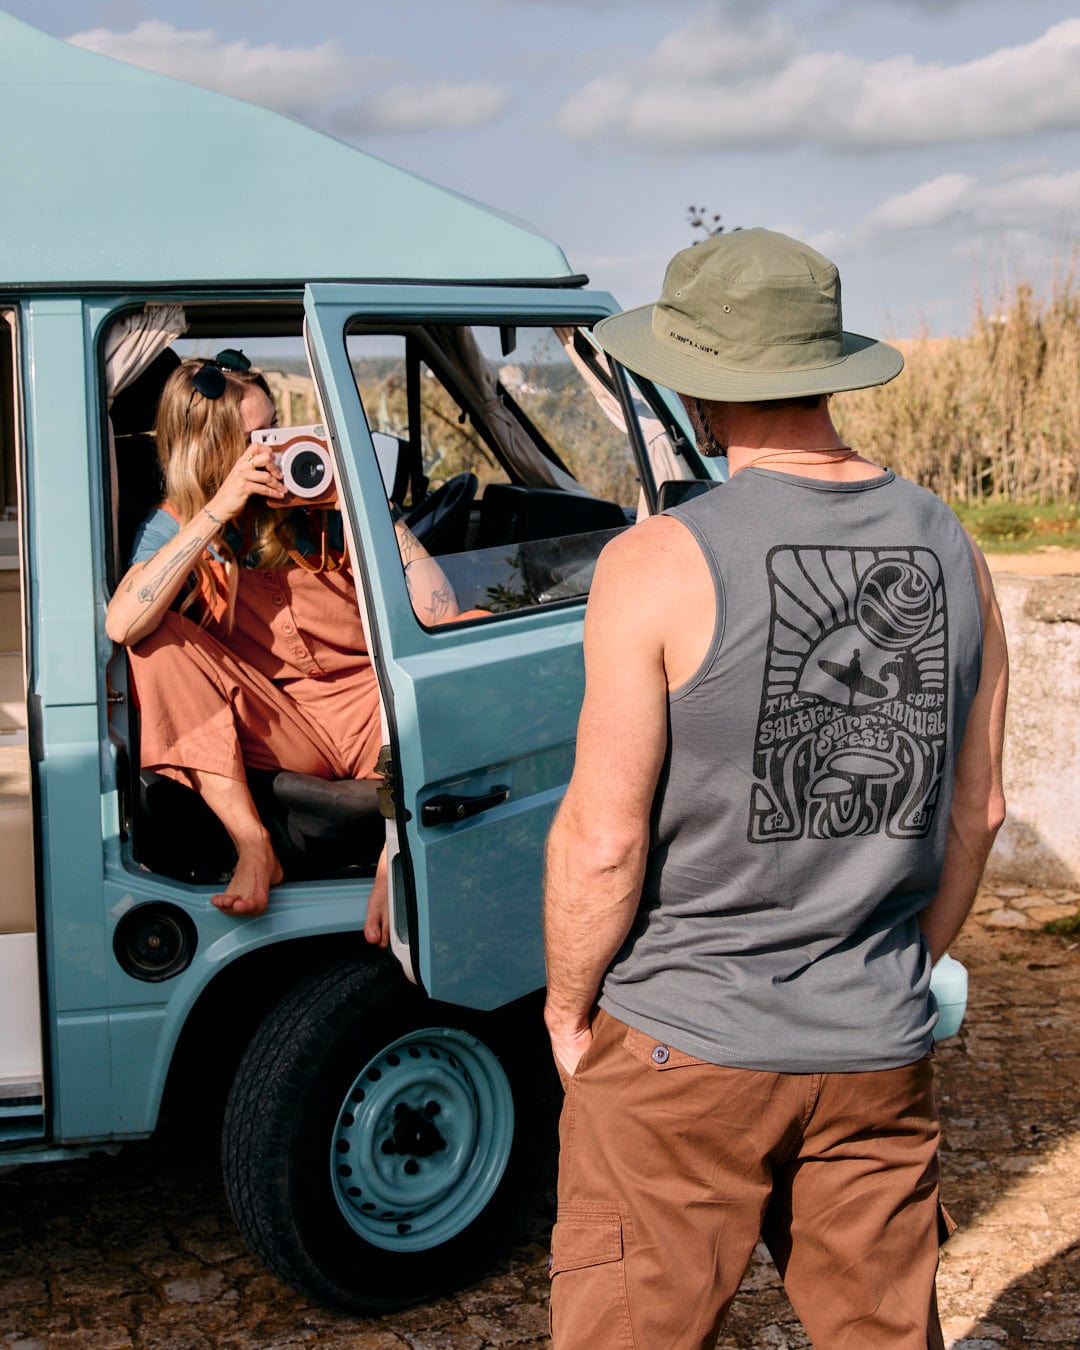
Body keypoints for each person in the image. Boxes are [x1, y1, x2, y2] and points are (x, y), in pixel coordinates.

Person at [543, 229, 1008, 1349]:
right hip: (874, 1051)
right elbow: (978, 810)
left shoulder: (654, 562)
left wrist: (567, 1009)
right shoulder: (953, 545)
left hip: (678, 1046)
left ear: (701, 392)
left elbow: (604, 842)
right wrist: (903, 965)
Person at [105, 353, 458, 930]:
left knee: (470, 632)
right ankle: (253, 844)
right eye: (258, 438)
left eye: (279, 428)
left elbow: (436, 614)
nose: (277, 450)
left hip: (378, 711)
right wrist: (219, 510)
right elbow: (122, 624)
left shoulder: (320, 502)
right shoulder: (178, 523)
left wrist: (370, 508)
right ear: (212, 449)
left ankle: (399, 851)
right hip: (283, 722)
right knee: (155, 640)